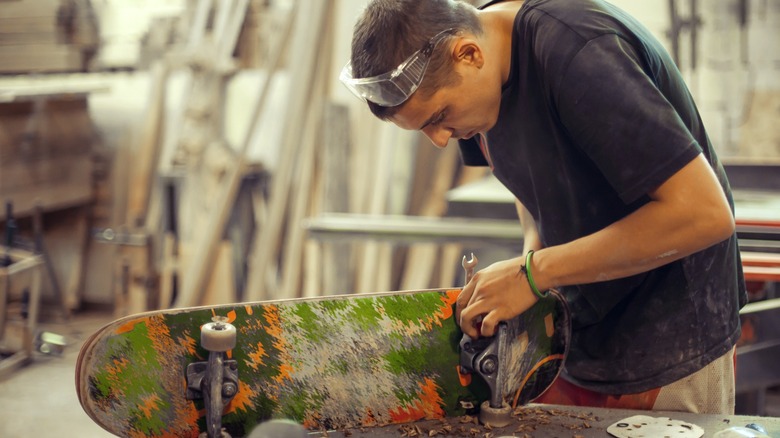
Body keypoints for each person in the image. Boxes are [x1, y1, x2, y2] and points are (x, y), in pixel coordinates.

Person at [340, 0, 747, 415]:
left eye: (441, 117)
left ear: (469, 53)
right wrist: (531, 263)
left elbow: (705, 214)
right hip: (583, 330)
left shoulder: (579, 53)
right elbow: (529, 181)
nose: (441, 140)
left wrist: (534, 273)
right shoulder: (471, 83)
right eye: (424, 128)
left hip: (674, 335)